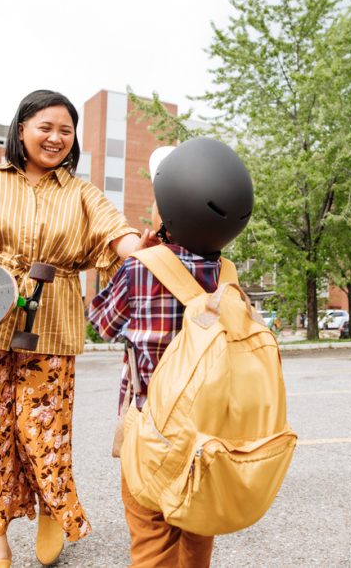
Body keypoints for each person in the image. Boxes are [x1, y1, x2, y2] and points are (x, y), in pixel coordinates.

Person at [0, 89, 152, 568]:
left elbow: (119, 236)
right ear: (22, 128)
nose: (55, 137)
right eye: (45, 127)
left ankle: (53, 508)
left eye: (66, 131)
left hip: (50, 329)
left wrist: (146, 245)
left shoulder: (83, 194)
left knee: (43, 432)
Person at [88, 137, 254, 568]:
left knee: (151, 540)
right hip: (211, 436)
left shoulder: (141, 268)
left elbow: (101, 323)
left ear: (171, 210)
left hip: (153, 434)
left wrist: (138, 258)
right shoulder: (229, 278)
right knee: (197, 535)